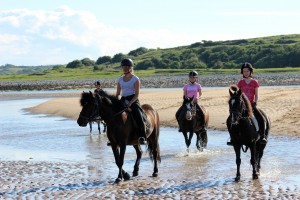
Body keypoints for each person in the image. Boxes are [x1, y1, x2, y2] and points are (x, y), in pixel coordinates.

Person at [227, 62, 268, 146]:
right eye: (244, 71)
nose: (246, 73)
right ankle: (232, 137)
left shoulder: (255, 82)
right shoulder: (240, 83)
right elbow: (238, 95)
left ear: (251, 71)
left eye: (247, 71)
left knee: (260, 117)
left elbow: (256, 94)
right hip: (242, 106)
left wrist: (255, 103)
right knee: (229, 119)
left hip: (251, 105)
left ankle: (262, 136)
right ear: (242, 72)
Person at [116, 58, 147, 145]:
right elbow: (118, 93)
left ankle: (142, 136)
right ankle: (113, 136)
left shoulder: (135, 79)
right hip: (123, 99)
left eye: (126, 66)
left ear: (130, 67)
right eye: (123, 66)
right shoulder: (120, 79)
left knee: (139, 116)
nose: (124, 68)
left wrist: (129, 103)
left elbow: (137, 94)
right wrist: (117, 101)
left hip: (133, 100)